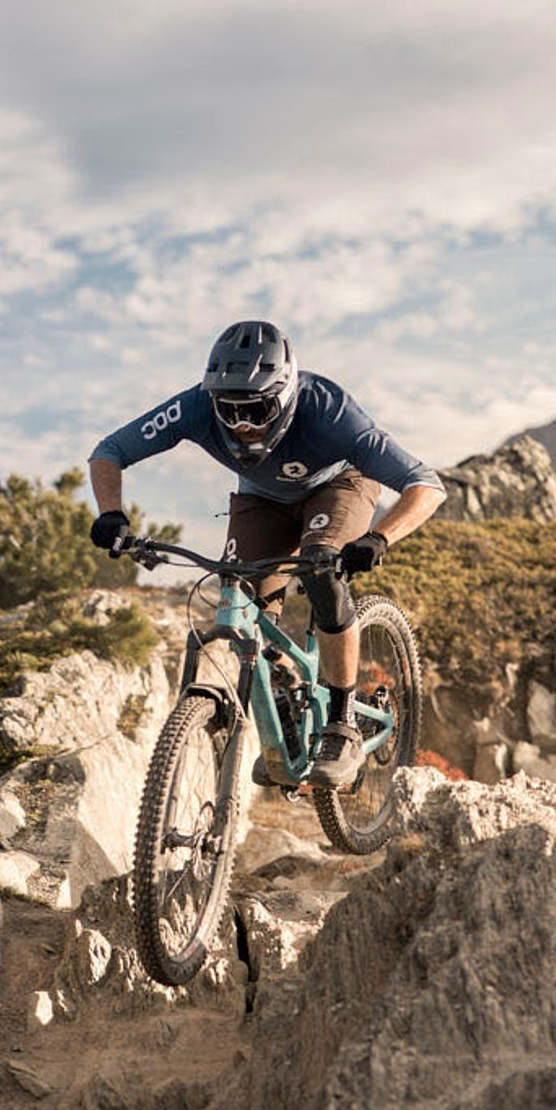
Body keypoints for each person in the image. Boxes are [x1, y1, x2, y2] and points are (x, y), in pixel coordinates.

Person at [84, 320, 446, 787]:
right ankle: (286, 704)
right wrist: (111, 514)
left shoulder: (329, 412)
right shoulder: (195, 405)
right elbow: (109, 450)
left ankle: (342, 724)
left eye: (257, 411)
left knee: (321, 572)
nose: (242, 426)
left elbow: (426, 485)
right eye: (229, 411)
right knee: (240, 598)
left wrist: (379, 538)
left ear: (286, 396)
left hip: (339, 485)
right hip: (262, 499)